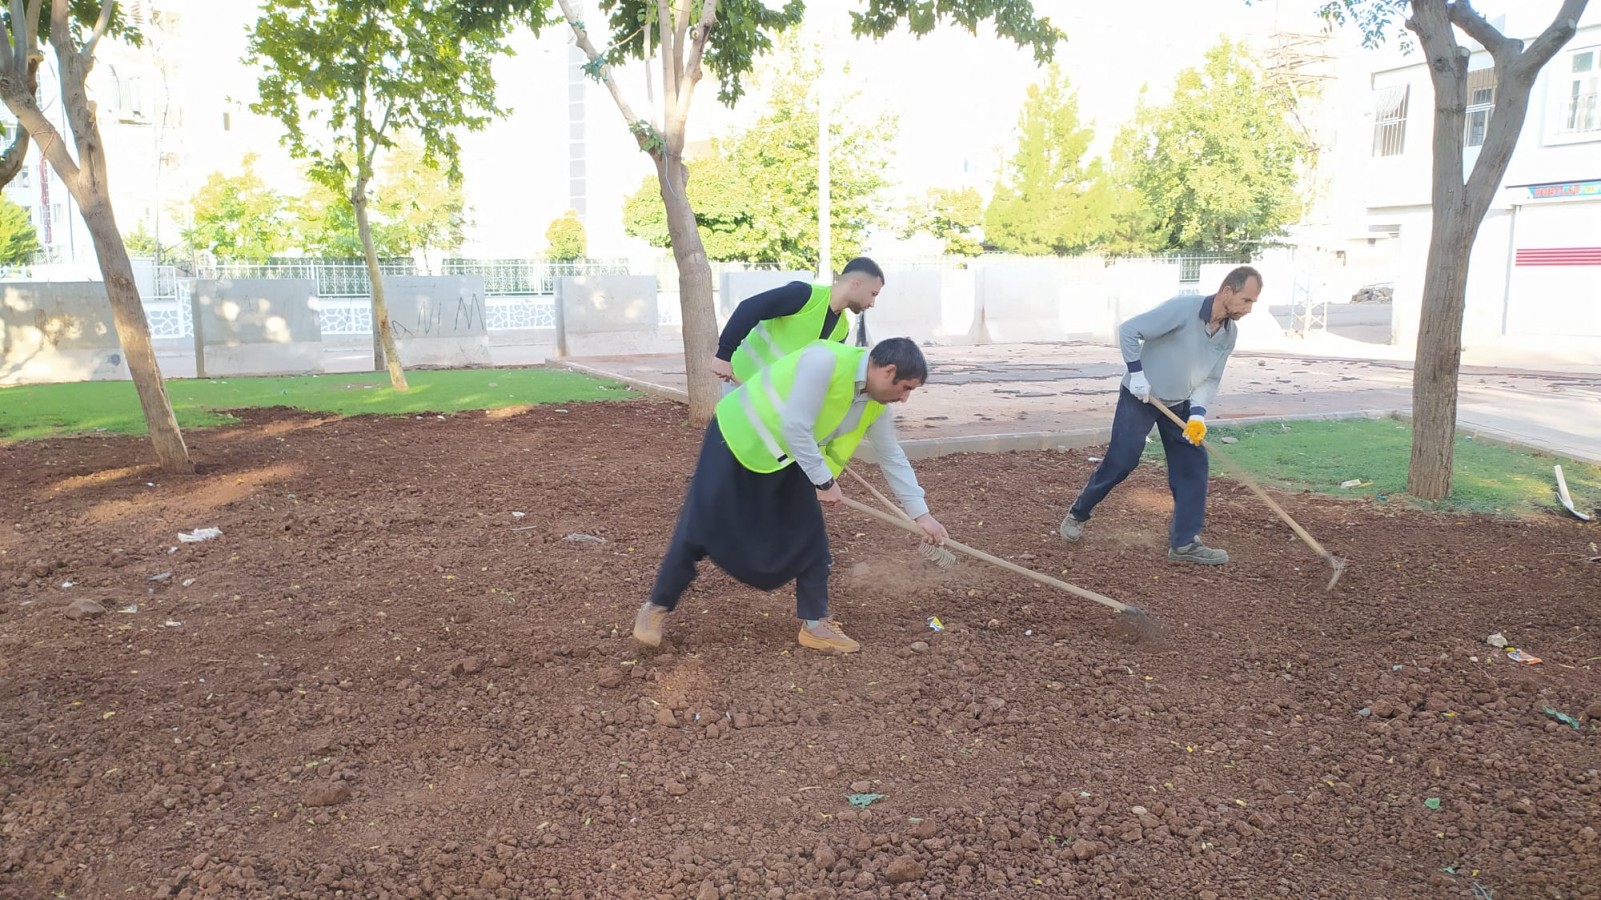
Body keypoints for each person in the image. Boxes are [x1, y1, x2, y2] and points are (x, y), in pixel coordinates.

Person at [635, 337, 948, 654]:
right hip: (738, 436)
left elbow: (891, 456)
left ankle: (816, 625)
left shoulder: (875, 406)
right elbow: (795, 426)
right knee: (698, 525)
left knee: (811, 538)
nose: (905, 399)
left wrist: (921, 514)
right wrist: (824, 482)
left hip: (791, 455)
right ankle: (656, 607)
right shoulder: (824, 362)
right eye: (906, 388)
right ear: (888, 371)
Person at [1058, 266, 1262, 565]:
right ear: (1227, 292)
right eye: (1246, 300)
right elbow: (1128, 330)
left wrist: (1197, 415)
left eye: (1252, 303)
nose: (1249, 309)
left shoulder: (1228, 334)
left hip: (1178, 404)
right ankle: (1078, 513)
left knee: (1193, 465)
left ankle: (1184, 543)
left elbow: (1210, 379)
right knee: (1122, 461)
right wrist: (1137, 375)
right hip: (1141, 396)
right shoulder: (1183, 310)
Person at [709, 257, 884, 388]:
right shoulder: (804, 295)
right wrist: (724, 355)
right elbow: (749, 308)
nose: (873, 303)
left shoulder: (842, 328)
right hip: (740, 384)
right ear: (856, 283)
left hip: (772, 398)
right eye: (873, 294)